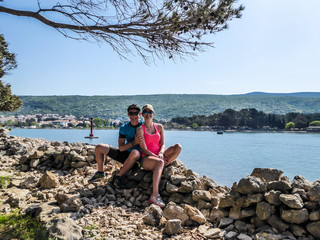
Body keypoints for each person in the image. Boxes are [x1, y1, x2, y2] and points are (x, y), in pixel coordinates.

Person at [136, 104, 182, 207]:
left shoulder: (159, 127)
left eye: (150, 112)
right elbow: (143, 149)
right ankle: (155, 195)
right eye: (146, 112)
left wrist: (161, 153)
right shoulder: (140, 129)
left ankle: (163, 164)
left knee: (178, 147)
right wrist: (156, 156)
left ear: (153, 114)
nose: (148, 114)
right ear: (142, 114)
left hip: (159, 155)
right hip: (146, 158)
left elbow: (162, 144)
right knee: (160, 161)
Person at [88, 104, 143, 186]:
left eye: (136, 113)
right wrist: (134, 142)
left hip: (137, 158)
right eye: (131, 113)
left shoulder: (144, 126)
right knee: (99, 147)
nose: (133, 116)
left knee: (134, 152)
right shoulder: (124, 128)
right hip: (125, 155)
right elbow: (121, 148)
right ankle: (100, 172)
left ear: (140, 114)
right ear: (128, 115)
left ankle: (119, 176)